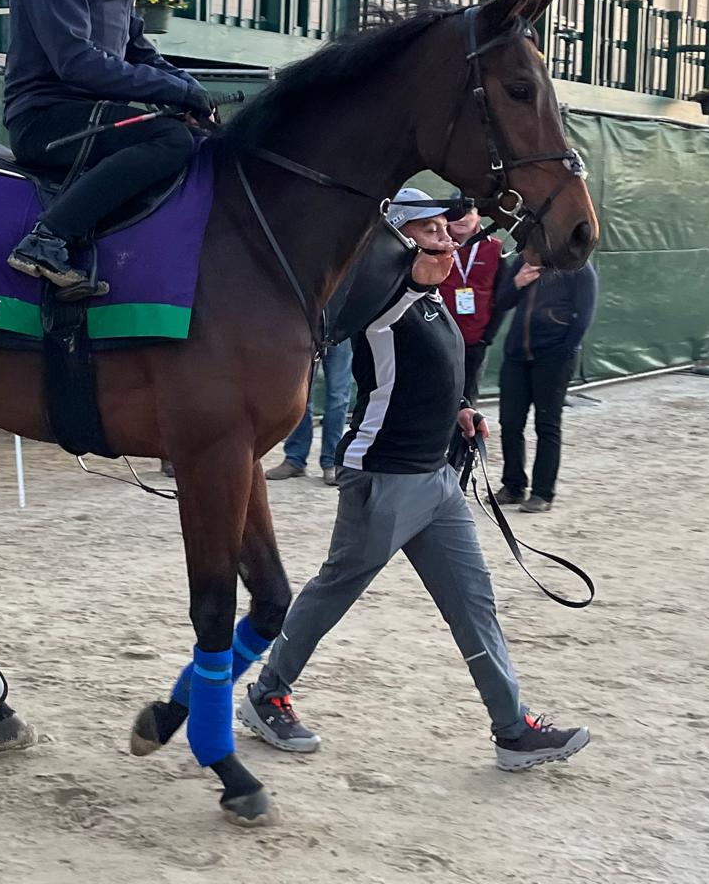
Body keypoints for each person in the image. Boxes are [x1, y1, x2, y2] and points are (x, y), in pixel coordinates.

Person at [238, 188, 591, 772]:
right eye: (429, 231)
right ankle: (266, 693)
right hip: (382, 477)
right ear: (397, 241)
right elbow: (390, 316)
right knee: (334, 593)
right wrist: (417, 269)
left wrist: (460, 407)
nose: (446, 239)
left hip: (434, 479)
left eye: (446, 231)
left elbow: (432, 365)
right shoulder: (376, 297)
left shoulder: (428, 298)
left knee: (473, 603)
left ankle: (512, 728)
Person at [2, 0, 214, 294]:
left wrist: (188, 90)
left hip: (89, 114)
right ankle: (46, 239)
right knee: (169, 141)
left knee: (198, 140)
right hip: (46, 120)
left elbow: (137, 46)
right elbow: (75, 61)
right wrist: (175, 91)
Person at [487, 255, 599, 513]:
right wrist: (517, 282)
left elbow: (584, 315)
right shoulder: (523, 261)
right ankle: (513, 486)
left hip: (553, 358)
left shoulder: (578, 267)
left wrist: (565, 351)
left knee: (547, 425)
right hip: (516, 356)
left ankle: (542, 493)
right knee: (510, 422)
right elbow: (502, 302)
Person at [436, 197, 504, 404]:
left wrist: (487, 338)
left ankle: (465, 437)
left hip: (475, 341)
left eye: (468, 212)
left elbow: (501, 296)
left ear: (478, 215)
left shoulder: (495, 249)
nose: (461, 219)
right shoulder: (434, 246)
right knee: (438, 399)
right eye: (455, 213)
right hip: (439, 339)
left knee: (467, 402)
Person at [264, 341, 353, 486]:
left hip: (340, 331)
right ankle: (295, 459)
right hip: (310, 329)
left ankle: (331, 462)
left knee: (338, 397)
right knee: (301, 393)